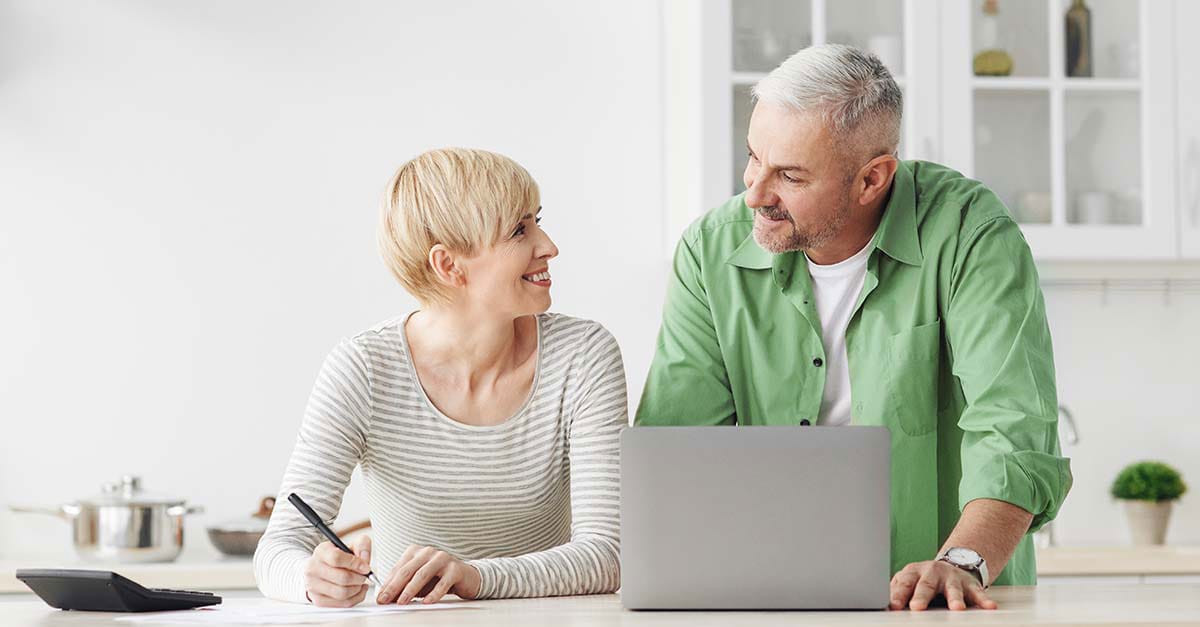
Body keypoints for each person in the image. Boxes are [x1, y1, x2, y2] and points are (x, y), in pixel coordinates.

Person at [636, 44, 1072, 612]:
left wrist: (961, 561)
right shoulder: (709, 252)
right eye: (753, 157)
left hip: (941, 599)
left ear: (872, 178)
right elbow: (677, 448)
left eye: (789, 175)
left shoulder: (971, 233)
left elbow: (1012, 426)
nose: (755, 194)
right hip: (766, 592)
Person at [255, 148, 626, 607]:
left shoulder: (583, 355)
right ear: (449, 265)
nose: (548, 245)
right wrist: (311, 579)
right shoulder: (364, 368)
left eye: (537, 221)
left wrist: (474, 577)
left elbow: (607, 554)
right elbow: (276, 550)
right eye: (519, 230)